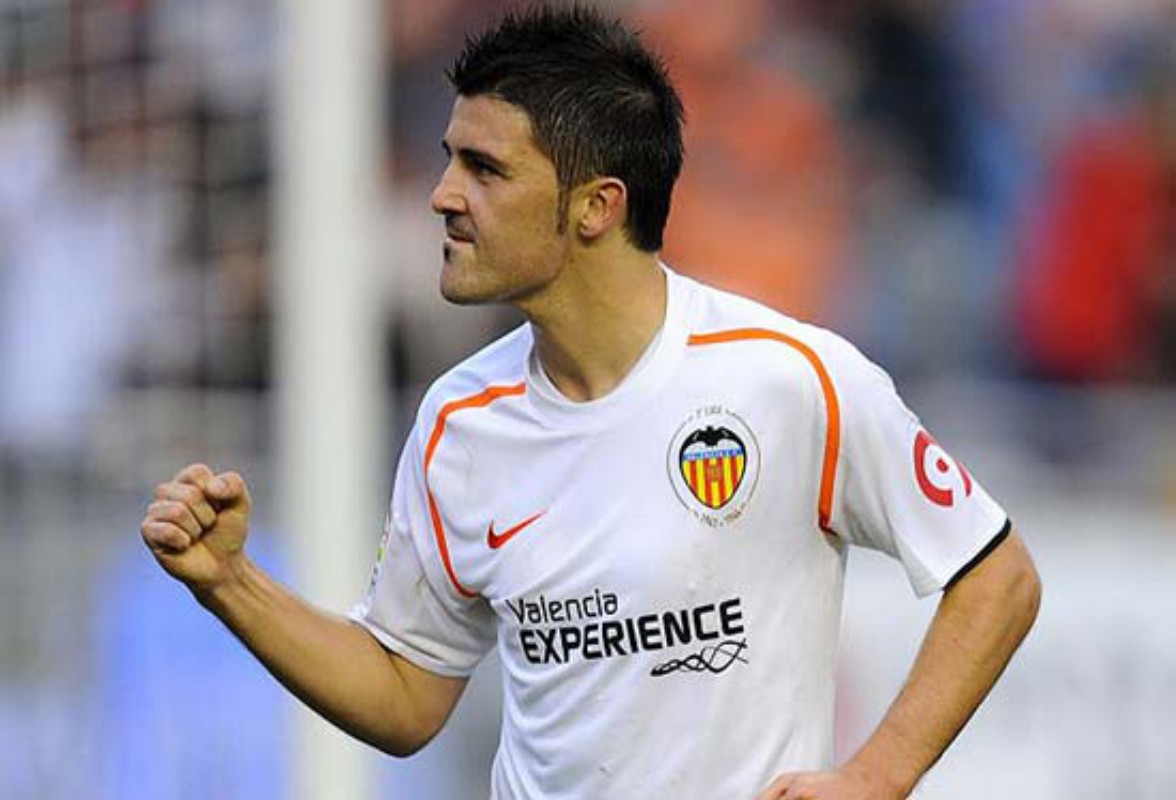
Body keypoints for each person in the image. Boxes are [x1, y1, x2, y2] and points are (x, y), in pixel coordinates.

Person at [140, 6, 1041, 799]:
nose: (443, 196)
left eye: (485, 169)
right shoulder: (460, 422)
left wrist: (878, 775)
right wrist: (231, 584)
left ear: (596, 206)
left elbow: (997, 577)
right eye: (449, 161)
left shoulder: (788, 378)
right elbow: (407, 695)